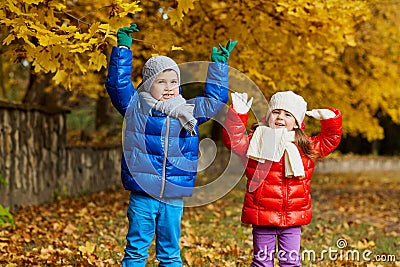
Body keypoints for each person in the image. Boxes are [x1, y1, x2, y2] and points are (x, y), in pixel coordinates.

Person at [105, 24, 237, 267]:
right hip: (143, 193)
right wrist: (122, 49)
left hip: (173, 196)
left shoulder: (189, 111)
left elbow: (214, 102)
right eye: (161, 81)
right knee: (135, 250)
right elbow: (118, 86)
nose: (168, 87)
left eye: (173, 81)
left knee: (170, 252)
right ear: (147, 84)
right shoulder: (137, 108)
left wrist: (218, 68)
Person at [222, 91, 342, 267]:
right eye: (276, 112)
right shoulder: (257, 141)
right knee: (262, 262)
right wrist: (238, 114)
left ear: (297, 123)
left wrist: (331, 120)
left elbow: (330, 140)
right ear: (268, 115)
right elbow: (234, 140)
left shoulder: (304, 146)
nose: (280, 117)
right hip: (262, 214)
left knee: (291, 262)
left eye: (287, 114)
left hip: (292, 218)